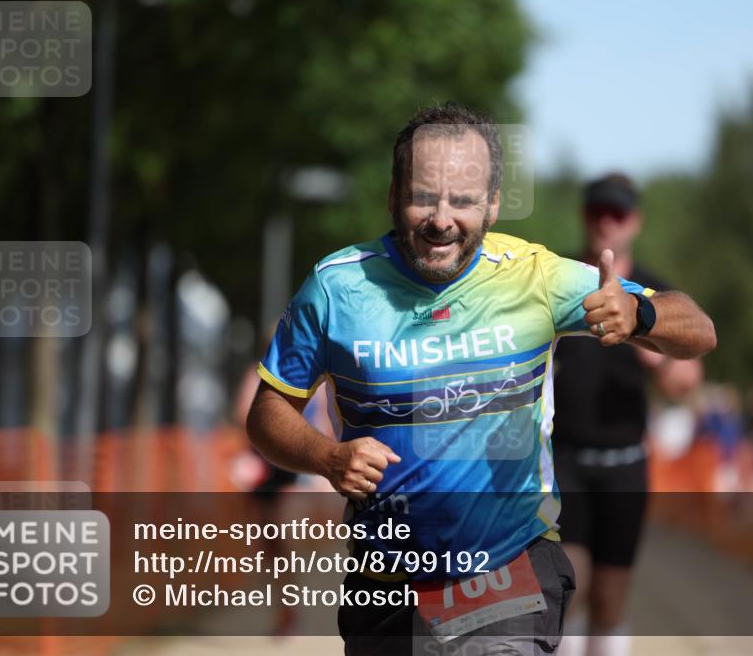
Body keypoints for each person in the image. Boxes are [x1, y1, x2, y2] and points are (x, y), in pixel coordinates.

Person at [246, 102, 716, 656]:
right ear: (394, 193)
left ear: (493, 202)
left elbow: (700, 329)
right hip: (386, 585)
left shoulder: (536, 276)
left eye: (464, 201)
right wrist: (327, 457)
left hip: (508, 568)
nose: (443, 219)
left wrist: (644, 316)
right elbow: (265, 414)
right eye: (425, 196)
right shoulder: (336, 288)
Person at [552, 174, 705, 656]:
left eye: (616, 213)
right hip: (564, 462)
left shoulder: (658, 292)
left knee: (610, 597)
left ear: (634, 221)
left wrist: (651, 344)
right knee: (566, 585)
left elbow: (688, 382)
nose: (606, 222)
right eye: (597, 211)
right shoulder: (556, 281)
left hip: (624, 464)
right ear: (585, 215)